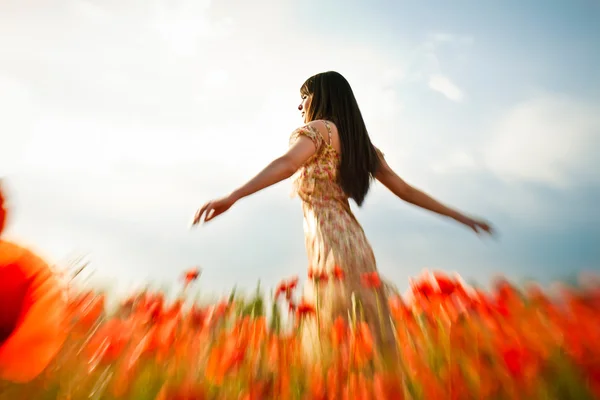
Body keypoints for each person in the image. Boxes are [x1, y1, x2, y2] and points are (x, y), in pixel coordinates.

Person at [191, 71, 494, 353]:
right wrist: (461, 217)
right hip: (354, 243)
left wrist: (233, 196)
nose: (300, 106)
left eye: (305, 96)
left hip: (331, 242)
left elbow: (286, 165)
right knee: (364, 334)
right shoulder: (360, 145)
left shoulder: (318, 130)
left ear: (322, 97)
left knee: (337, 335)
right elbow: (407, 191)